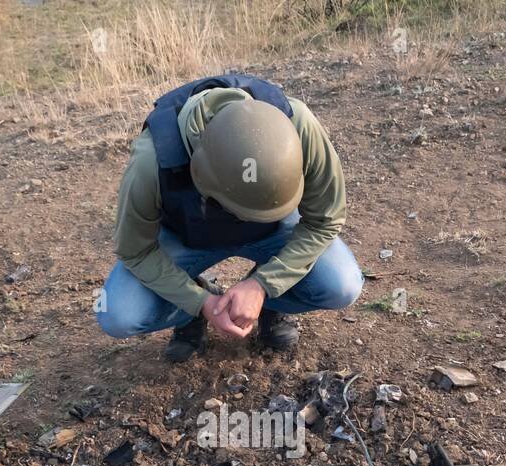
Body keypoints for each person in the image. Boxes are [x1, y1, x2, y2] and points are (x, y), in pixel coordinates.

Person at [97, 73, 364, 362]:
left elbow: (325, 220)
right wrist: (199, 302)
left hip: (274, 231)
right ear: (201, 176)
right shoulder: (152, 159)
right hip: (187, 236)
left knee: (342, 285)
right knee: (118, 314)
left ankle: (267, 305)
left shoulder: (297, 123)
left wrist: (263, 284)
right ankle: (189, 315)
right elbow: (135, 251)